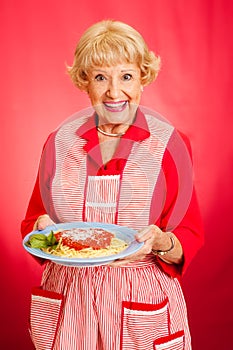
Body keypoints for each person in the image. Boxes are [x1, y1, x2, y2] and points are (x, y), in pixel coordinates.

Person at [21, 20, 204, 350]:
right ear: (85, 83)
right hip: (69, 295)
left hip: (139, 298)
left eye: (126, 76)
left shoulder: (168, 145)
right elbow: (34, 221)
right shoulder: (58, 143)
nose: (114, 92)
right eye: (101, 77)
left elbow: (188, 234)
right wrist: (40, 227)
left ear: (142, 79)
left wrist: (162, 241)